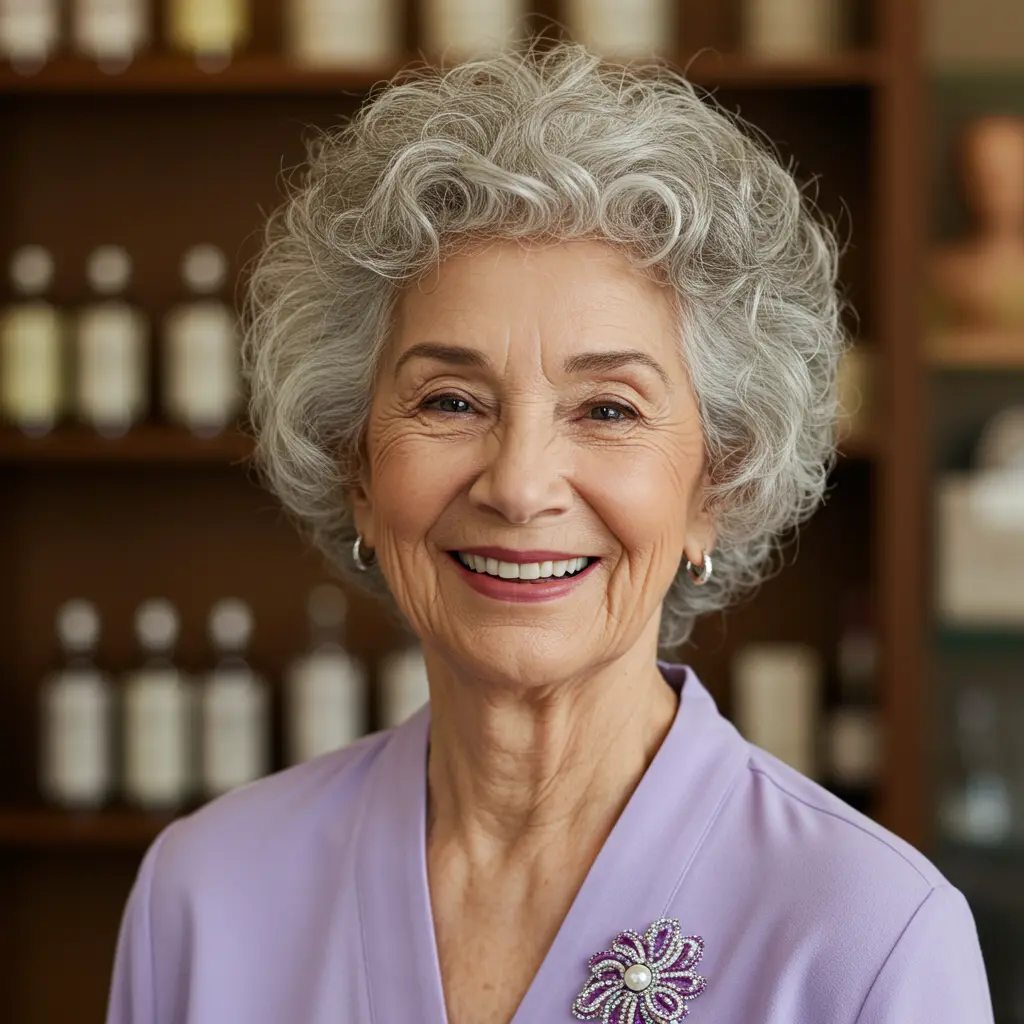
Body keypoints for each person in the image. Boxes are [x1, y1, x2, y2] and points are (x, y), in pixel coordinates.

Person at [106, 43, 993, 1024]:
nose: (520, 485)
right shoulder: (204, 896)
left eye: (607, 409)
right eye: (449, 400)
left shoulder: (869, 934)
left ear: (720, 479)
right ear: (355, 467)